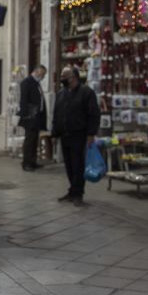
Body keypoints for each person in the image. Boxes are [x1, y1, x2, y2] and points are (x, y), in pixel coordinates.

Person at [51, 66, 100, 207]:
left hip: (79, 135)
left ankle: (78, 193)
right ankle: (72, 190)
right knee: (69, 165)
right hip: (65, 135)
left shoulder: (87, 93)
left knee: (78, 165)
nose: (63, 79)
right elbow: (57, 114)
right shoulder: (61, 93)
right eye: (62, 76)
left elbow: (93, 115)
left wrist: (91, 134)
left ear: (74, 77)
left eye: (65, 76)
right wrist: (54, 133)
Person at [18, 64, 47, 171]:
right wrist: (25, 114)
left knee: (35, 140)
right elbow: (24, 100)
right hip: (30, 116)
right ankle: (26, 163)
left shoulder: (36, 83)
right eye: (43, 74)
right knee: (29, 140)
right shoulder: (27, 82)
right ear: (37, 71)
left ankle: (33, 161)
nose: (43, 76)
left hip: (37, 116)